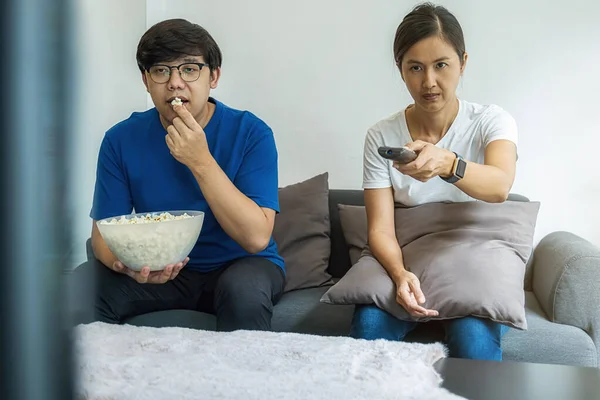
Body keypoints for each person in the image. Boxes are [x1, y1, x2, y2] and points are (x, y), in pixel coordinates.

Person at [83, 18, 285, 332]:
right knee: (82, 286)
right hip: (159, 269)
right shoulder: (120, 139)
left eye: (190, 69)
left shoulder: (251, 133)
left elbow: (256, 238)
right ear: (146, 81)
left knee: (243, 292)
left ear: (213, 76)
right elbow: (103, 236)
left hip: (241, 264)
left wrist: (200, 161)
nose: (175, 83)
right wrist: (127, 266)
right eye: (161, 70)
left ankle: (243, 383)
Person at [350, 2, 517, 360]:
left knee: (474, 341)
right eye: (415, 68)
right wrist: (399, 275)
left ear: (463, 62)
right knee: (367, 333)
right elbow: (380, 229)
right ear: (401, 70)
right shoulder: (382, 135)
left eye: (441, 65)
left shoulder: (491, 121)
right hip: (409, 261)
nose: (429, 82)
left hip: (473, 263)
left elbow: (500, 185)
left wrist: (448, 163)